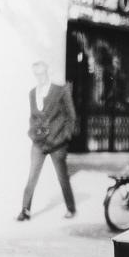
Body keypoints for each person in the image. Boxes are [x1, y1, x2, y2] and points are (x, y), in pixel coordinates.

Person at [17, 61, 77, 221]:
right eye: (36, 74)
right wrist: (32, 133)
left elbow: (71, 116)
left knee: (62, 177)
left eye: (42, 73)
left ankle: (71, 208)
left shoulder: (60, 90)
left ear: (47, 72)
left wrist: (65, 137)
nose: (40, 77)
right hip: (38, 143)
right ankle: (25, 210)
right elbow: (33, 116)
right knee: (32, 176)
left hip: (58, 143)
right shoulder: (32, 93)